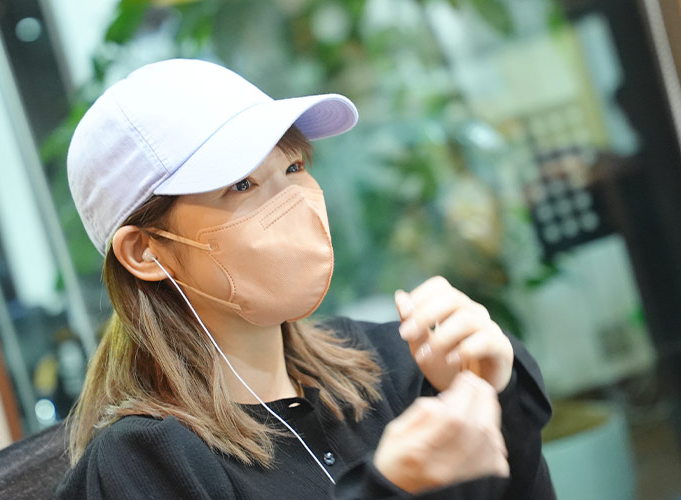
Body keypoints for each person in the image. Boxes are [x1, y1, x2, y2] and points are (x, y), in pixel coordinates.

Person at [55, 58, 556, 499]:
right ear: (145, 251)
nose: (293, 201)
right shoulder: (146, 463)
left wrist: (495, 394)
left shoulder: (390, 363)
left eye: (294, 166)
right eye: (242, 184)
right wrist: (390, 488)